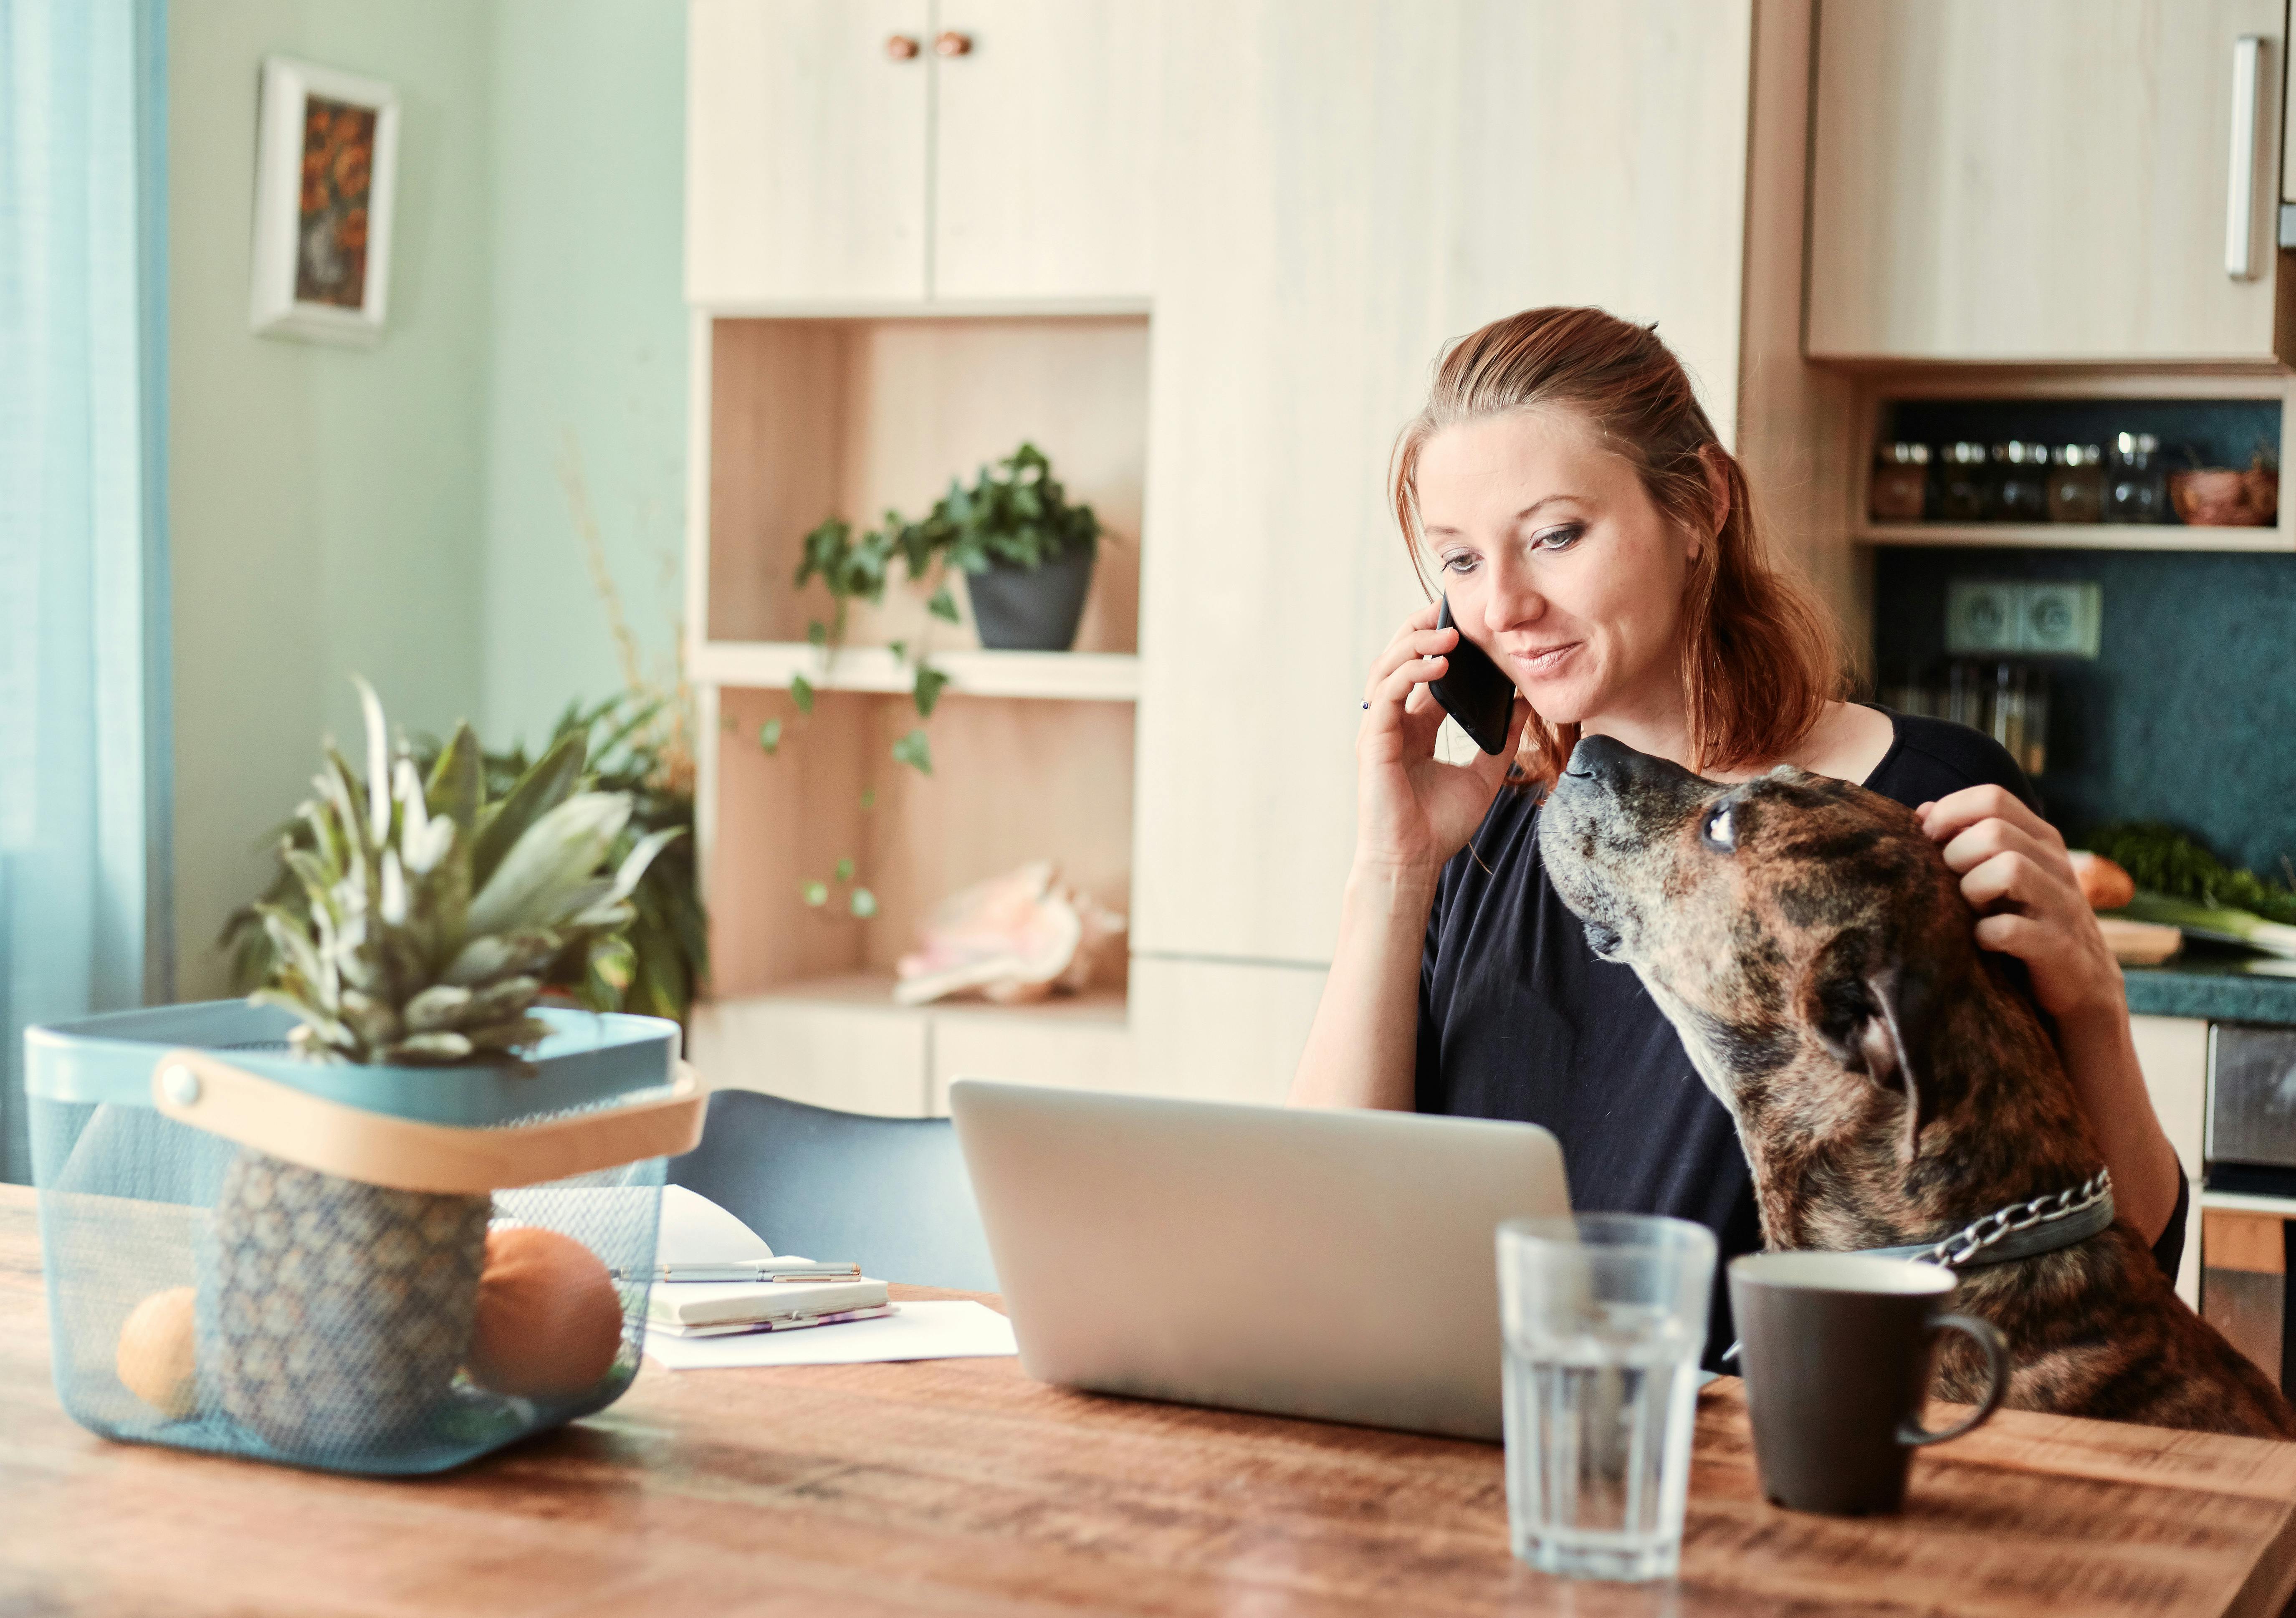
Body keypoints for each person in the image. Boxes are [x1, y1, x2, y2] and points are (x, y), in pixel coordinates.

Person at [1288, 306, 2186, 1362]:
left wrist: (2093, 1013)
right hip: (1493, 1455)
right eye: (1461, 561)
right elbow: (1323, 1237)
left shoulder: (1914, 813)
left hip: (1778, 1478)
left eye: (1553, 537)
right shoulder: (1481, 835)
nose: (1506, 607)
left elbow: (2112, 1261)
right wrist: (1392, 872)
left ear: (1697, 505)